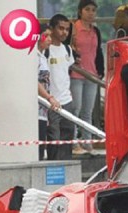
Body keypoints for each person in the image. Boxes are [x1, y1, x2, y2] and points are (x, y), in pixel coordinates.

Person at [69, 0, 104, 154]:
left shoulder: (95, 31)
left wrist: (100, 69)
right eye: (87, 9)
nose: (91, 13)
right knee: (75, 108)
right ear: (80, 11)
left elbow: (98, 52)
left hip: (92, 74)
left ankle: (87, 142)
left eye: (93, 10)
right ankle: (73, 142)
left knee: (88, 111)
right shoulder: (73, 28)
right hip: (76, 73)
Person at [46, 14, 76, 161]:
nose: (64, 32)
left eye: (67, 29)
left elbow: (66, 71)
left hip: (67, 100)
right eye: (61, 28)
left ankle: (66, 166)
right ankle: (54, 167)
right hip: (51, 102)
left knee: (68, 136)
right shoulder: (46, 50)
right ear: (52, 29)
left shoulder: (67, 49)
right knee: (54, 138)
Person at [37, 28, 60, 161]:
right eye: (46, 36)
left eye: (50, 36)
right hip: (36, 109)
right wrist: (49, 97)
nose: (50, 39)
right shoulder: (34, 57)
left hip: (43, 110)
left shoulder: (43, 56)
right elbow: (34, 81)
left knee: (42, 144)